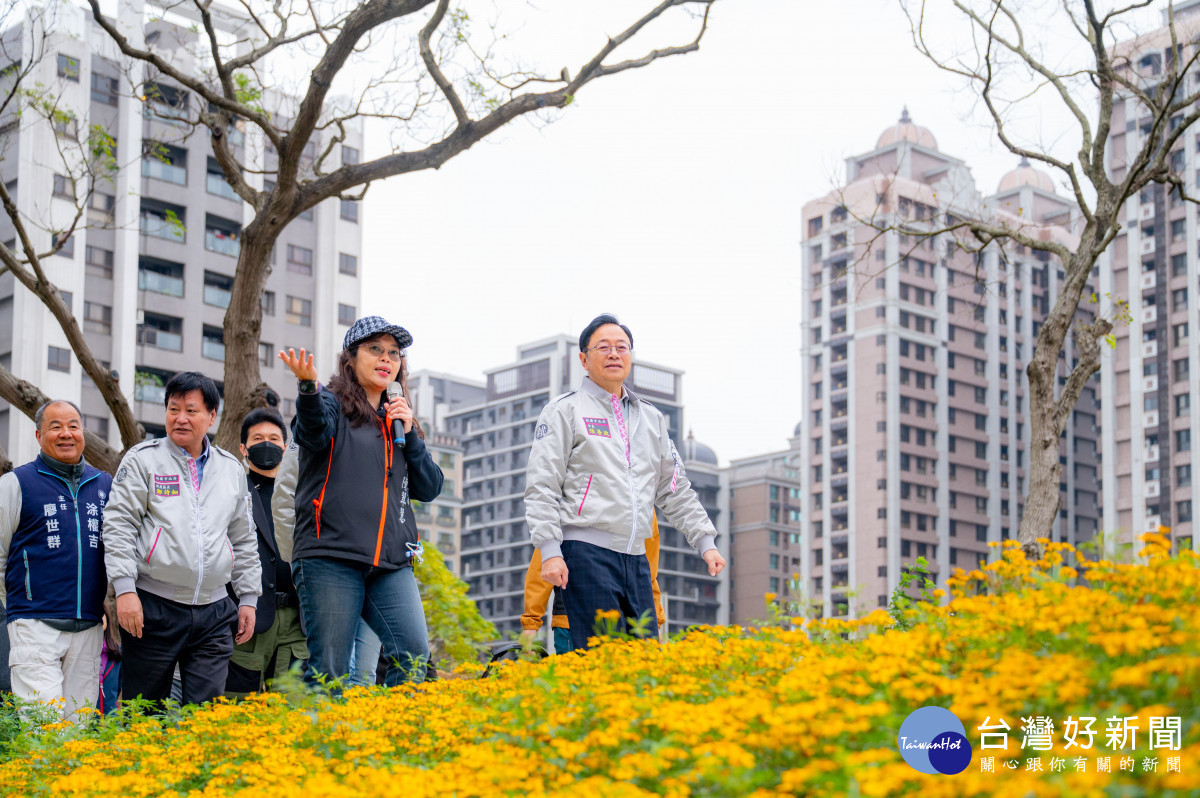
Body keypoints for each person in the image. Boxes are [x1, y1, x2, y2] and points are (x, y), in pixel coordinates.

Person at [525, 314, 726, 650]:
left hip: (636, 559)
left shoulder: (652, 418)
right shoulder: (564, 411)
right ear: (584, 359)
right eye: (603, 347)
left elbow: (673, 487)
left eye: (622, 347)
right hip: (586, 553)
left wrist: (705, 542)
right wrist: (550, 551)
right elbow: (542, 485)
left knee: (644, 663)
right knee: (601, 663)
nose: (614, 354)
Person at [279, 315, 443, 688]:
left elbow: (430, 487)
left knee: (413, 655)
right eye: (375, 349)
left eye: (394, 353)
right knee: (330, 672)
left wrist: (411, 434)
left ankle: (392, 740)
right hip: (330, 555)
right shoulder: (331, 403)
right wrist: (307, 387)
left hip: (390, 562)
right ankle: (320, 744)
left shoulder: (400, 421)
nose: (387, 359)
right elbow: (313, 431)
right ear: (350, 358)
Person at [103, 371, 261, 706]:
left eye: (191, 410)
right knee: (143, 714)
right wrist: (125, 591)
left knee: (205, 715)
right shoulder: (143, 459)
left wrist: (247, 597)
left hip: (215, 611)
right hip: (153, 606)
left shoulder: (231, 469)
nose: (181, 418)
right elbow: (118, 526)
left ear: (212, 416)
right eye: (174, 409)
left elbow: (244, 538)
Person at [0, 400, 111, 722]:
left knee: (79, 725)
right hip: (34, 625)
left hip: (89, 626)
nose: (66, 434)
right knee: (44, 728)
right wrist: (19, 608)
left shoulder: (104, 484)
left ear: (83, 432)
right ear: (38, 435)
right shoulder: (15, 484)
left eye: (73, 426)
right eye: (55, 427)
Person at [273, 443, 381, 687]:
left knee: (364, 675)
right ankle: (330, 723)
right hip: (328, 569)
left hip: (377, 571)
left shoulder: (388, 432)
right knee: (334, 669)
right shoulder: (314, 426)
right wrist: (299, 562)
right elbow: (284, 499)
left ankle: (358, 724)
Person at [224, 409, 308, 697]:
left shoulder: (301, 492)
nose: (267, 444)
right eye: (258, 438)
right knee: (237, 710)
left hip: (297, 619)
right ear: (243, 448)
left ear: (285, 448)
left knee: (290, 712)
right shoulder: (232, 491)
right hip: (248, 616)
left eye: (274, 438)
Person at [521, 513, 667, 652]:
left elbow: (648, 571)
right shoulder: (576, 495)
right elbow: (546, 562)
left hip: (627, 621)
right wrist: (531, 623)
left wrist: (654, 622)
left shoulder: (642, 501)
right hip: (573, 618)